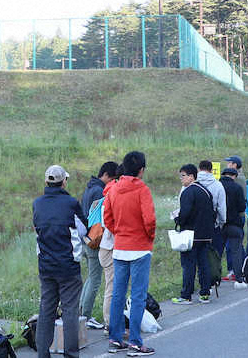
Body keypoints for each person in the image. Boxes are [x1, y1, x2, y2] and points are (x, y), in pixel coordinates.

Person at [104, 151, 156, 356]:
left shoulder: (114, 189)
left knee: (118, 294)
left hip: (120, 247)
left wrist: (119, 232)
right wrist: (148, 237)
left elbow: (107, 217)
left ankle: (115, 339)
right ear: (141, 170)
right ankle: (135, 342)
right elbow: (149, 220)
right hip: (140, 248)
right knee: (137, 296)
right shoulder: (142, 189)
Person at [33, 165, 87, 358]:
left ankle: (42, 354)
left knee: (46, 309)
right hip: (68, 266)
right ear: (64, 182)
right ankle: (70, 354)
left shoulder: (37, 204)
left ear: (46, 182)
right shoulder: (71, 203)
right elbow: (83, 230)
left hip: (46, 266)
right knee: (70, 310)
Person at [80, 161, 119, 329]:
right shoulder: (99, 190)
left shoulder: (90, 187)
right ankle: (86, 316)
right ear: (107, 176)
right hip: (95, 239)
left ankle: (81, 315)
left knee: (90, 277)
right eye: (113, 179)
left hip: (86, 238)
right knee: (95, 279)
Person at [171, 164, 215, 305]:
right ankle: (205, 294)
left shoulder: (188, 192)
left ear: (191, 176)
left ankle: (186, 295)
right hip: (206, 234)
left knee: (188, 265)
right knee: (204, 264)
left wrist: (177, 219)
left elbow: (185, 213)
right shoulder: (206, 191)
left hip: (190, 235)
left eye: (183, 176)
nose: (181, 179)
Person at [97, 165, 123, 327]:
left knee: (113, 288)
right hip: (109, 248)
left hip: (107, 247)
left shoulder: (108, 192)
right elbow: (110, 224)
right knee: (112, 289)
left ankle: (112, 322)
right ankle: (110, 324)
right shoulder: (112, 195)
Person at [219, 167, 247, 289]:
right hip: (234, 224)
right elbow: (242, 207)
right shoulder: (237, 188)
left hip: (219, 225)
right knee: (236, 251)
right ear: (234, 176)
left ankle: (213, 280)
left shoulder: (217, 186)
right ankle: (239, 279)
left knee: (216, 252)